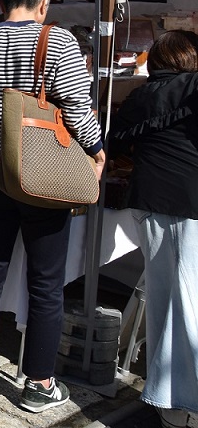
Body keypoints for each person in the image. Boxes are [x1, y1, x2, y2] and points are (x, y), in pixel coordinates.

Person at [0, 0, 105, 413]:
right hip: (43, 179)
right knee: (46, 284)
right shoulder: (58, 40)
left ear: (0, 3)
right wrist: (97, 152)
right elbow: (76, 108)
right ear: (44, 2)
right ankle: (38, 384)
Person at [108, 31, 198, 428]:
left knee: (172, 301)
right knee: (184, 305)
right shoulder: (192, 87)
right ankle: (179, 402)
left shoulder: (140, 96)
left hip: (153, 205)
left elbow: (116, 146)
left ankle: (174, 402)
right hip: (183, 204)